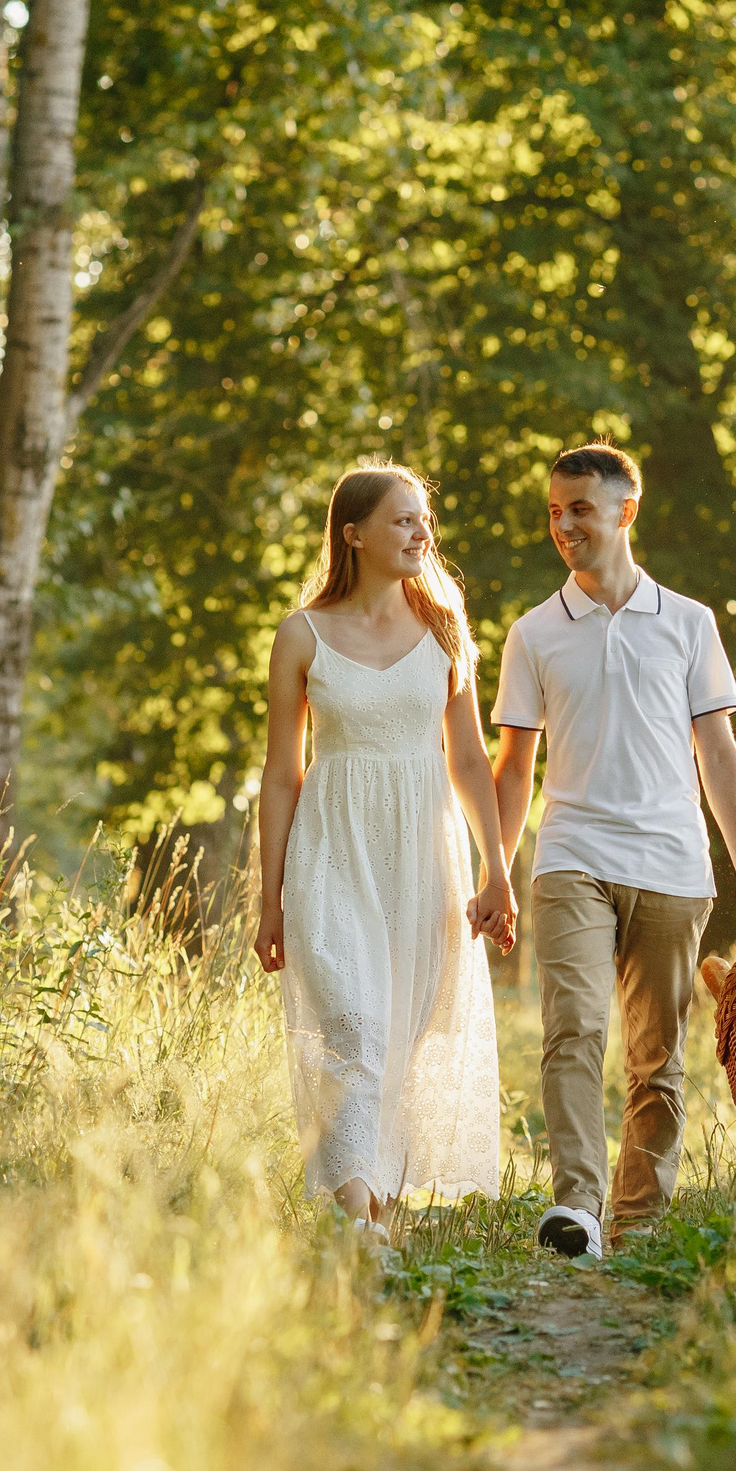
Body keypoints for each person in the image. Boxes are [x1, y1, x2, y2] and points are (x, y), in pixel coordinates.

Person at [491, 442, 736, 1259]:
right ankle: (577, 1206)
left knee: (658, 1057)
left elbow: (718, 751)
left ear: (625, 511)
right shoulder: (534, 633)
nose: (563, 524)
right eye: (553, 510)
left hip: (673, 864)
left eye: (579, 508)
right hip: (571, 853)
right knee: (572, 1028)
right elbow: (514, 767)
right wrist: (496, 870)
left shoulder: (689, 623)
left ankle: (638, 1224)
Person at [253, 462, 517, 1237]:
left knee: (404, 1037)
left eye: (423, 519)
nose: (421, 532)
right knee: (355, 1031)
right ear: (354, 534)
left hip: (423, 854)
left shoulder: (444, 627)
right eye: (403, 519)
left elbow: (470, 760)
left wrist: (498, 869)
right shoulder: (301, 635)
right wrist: (268, 900)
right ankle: (357, 1218)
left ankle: (379, 1206)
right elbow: (281, 774)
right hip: (331, 852)